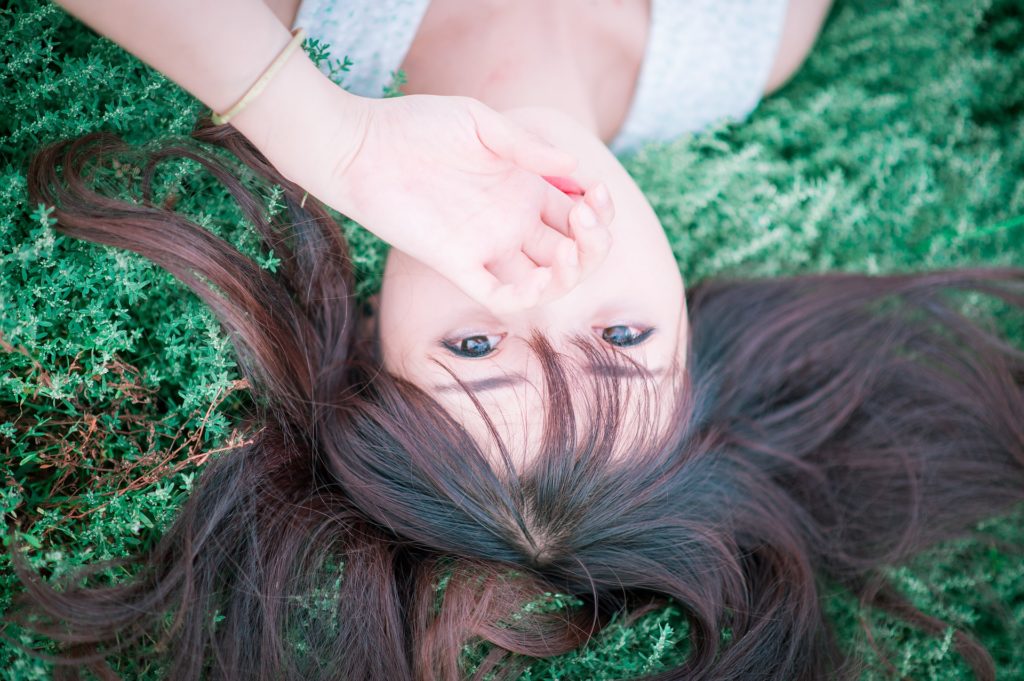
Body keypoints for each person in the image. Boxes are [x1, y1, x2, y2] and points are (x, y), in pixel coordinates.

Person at [7, 1, 1024, 680]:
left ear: (374, 332)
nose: (552, 283)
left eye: (475, 351)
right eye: (621, 336)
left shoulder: (299, 33)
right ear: (688, 317)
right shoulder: (745, 45)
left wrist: (328, 134)